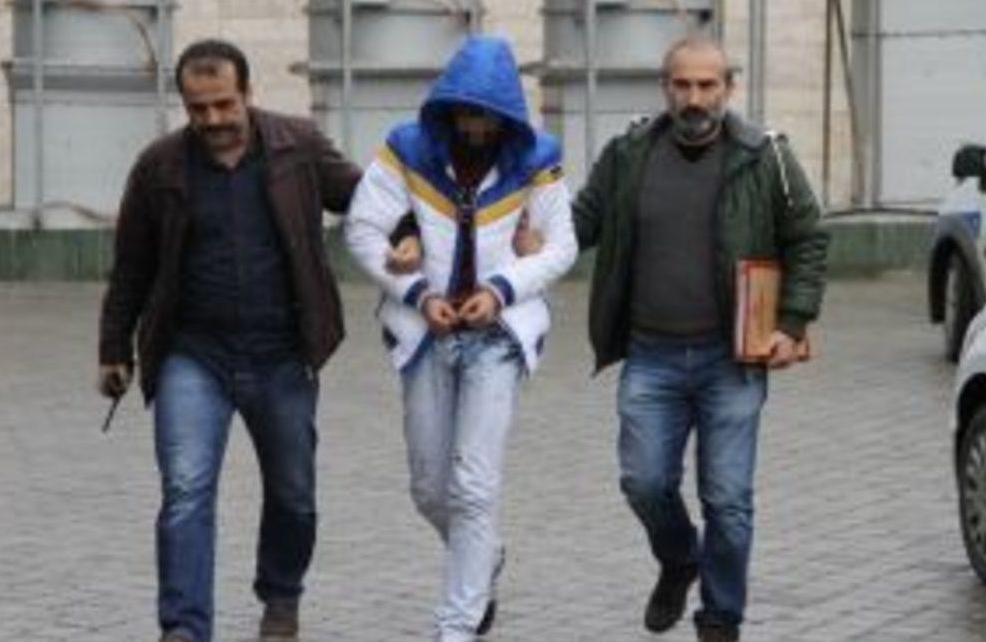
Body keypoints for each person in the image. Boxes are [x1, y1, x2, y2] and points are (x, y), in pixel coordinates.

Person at [389, 36, 828, 642]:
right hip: (651, 354)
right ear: (665, 87)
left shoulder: (766, 156)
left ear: (728, 88)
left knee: (728, 499)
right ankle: (679, 558)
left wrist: (792, 322)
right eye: (682, 84)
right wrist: (533, 240)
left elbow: (808, 238)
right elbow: (580, 221)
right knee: (644, 482)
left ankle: (720, 618)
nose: (694, 97)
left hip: (731, 358)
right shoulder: (630, 153)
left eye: (707, 85)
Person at [96, 38, 361, 642]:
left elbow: (367, 199)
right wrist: (114, 348)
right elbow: (131, 265)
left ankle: (281, 598)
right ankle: (184, 627)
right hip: (193, 356)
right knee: (186, 491)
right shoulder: (160, 166)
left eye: (223, 104)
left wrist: (413, 234)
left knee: (294, 494)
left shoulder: (297, 147)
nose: (213, 119)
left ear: (248, 93)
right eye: (198, 108)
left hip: (282, 355)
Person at [344, 35, 578, 642]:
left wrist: (501, 289)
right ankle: (483, 556)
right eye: (465, 113)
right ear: (446, 108)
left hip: (498, 336)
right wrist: (417, 293)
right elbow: (363, 229)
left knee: (473, 485)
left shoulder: (537, 157)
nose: (476, 127)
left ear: (507, 115)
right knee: (430, 489)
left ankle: (458, 624)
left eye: (488, 115)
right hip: (425, 333)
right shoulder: (407, 149)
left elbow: (561, 246)